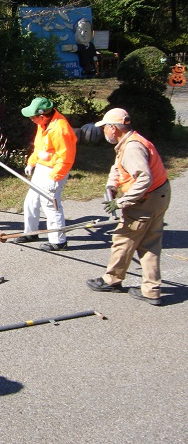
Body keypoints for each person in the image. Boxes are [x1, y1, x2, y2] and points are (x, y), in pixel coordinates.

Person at [86, 108, 171, 305]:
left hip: (146, 199)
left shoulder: (132, 148)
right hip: (159, 195)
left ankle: (112, 280)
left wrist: (121, 201)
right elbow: (118, 167)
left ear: (113, 128)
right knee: (149, 243)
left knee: (123, 238)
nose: (104, 131)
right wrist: (111, 185)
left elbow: (144, 179)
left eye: (106, 127)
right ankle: (151, 290)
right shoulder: (130, 142)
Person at [13, 97, 77, 251]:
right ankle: (31, 232)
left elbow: (66, 159)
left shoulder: (60, 129)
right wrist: (31, 162)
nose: (30, 119)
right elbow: (39, 148)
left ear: (42, 115)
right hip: (42, 167)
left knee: (50, 204)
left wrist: (55, 178)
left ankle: (58, 241)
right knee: (31, 201)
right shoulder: (43, 124)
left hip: (55, 170)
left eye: (32, 117)